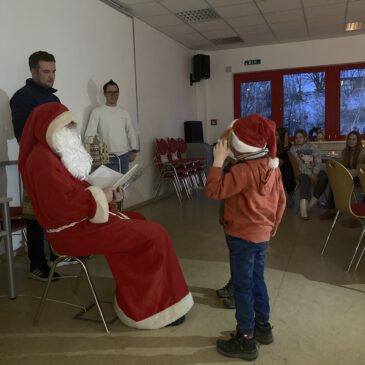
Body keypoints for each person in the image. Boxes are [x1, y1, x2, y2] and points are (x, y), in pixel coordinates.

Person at [18, 102, 193, 329]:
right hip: (70, 232)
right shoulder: (41, 160)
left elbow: (75, 193)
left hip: (80, 222)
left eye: (73, 125)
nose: (73, 131)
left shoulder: (55, 154)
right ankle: (148, 307)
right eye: (67, 126)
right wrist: (102, 195)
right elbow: (62, 206)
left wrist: (109, 193)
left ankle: (142, 296)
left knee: (139, 221)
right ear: (49, 129)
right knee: (153, 234)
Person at [205, 114, 286, 361]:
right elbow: (281, 200)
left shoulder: (242, 171)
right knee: (257, 280)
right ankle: (263, 327)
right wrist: (272, 226)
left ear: (239, 146)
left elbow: (213, 190)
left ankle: (246, 339)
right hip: (262, 236)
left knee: (242, 286)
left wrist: (218, 161)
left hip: (241, 237)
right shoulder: (271, 166)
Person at [9, 50, 66, 281]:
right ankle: (37, 264)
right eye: (46, 71)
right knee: (35, 216)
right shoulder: (22, 98)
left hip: (55, 163)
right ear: (33, 71)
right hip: (35, 165)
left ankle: (54, 255)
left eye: (53, 71)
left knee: (54, 211)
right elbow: (23, 135)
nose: (51, 76)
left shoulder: (54, 99)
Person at [85, 79, 138, 174]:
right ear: (104, 94)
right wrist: (93, 157)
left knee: (121, 187)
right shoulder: (97, 111)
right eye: (110, 92)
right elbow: (89, 135)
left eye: (115, 92)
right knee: (110, 187)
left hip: (124, 156)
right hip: (105, 156)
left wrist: (134, 150)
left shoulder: (124, 112)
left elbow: (131, 131)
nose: (113, 95)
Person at [320, 130, 365, 220]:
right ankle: (332, 209)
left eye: (354, 139)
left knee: (339, 179)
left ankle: (357, 213)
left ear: (358, 141)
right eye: (349, 139)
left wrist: (345, 172)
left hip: (360, 177)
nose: (351, 141)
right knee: (335, 180)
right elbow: (344, 165)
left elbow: (358, 170)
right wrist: (343, 172)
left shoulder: (362, 153)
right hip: (350, 175)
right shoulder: (345, 151)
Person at [289, 128, 328, 220]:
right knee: (304, 179)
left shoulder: (312, 146)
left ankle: (309, 206)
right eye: (296, 137)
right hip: (302, 172)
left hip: (315, 170)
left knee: (324, 177)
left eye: (301, 137)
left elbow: (318, 161)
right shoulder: (293, 149)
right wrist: (310, 174)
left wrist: (314, 173)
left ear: (305, 138)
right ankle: (303, 210)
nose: (298, 139)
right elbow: (300, 164)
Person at [276, 127, 295, 195]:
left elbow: (288, 157)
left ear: (282, 137)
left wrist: (285, 144)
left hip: (285, 169)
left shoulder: (289, 145)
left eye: (277, 135)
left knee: (287, 164)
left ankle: (289, 190)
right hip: (275, 167)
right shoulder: (272, 145)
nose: (275, 137)